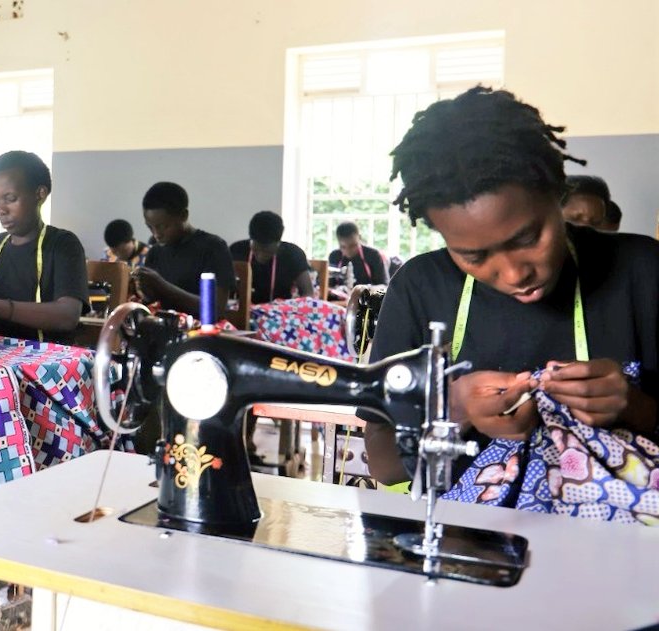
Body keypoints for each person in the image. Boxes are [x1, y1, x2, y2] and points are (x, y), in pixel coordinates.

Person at [362, 87, 658, 491]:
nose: (515, 273)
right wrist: (456, 407)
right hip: (466, 542)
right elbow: (383, 464)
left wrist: (636, 408)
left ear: (557, 192)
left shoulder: (642, 271)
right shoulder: (420, 288)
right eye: (474, 255)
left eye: (527, 238)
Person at [0, 151, 89, 345]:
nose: (1, 209)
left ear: (40, 193)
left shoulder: (63, 244)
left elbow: (67, 316)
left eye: (10, 198)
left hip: (44, 367)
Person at [135, 182, 236, 319]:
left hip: (203, 332)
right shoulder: (155, 253)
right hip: (167, 330)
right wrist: (140, 289)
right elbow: (152, 302)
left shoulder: (212, 247)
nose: (156, 234)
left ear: (183, 215)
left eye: (163, 226)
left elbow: (215, 309)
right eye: (150, 227)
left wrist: (161, 285)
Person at [229, 210, 313, 304]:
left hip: (280, 313)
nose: (260, 255)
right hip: (242, 312)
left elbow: (308, 294)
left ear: (278, 243)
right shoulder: (236, 250)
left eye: (267, 251)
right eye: (256, 250)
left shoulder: (293, 254)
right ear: (251, 240)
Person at [328, 221, 387, 286]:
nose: (348, 251)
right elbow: (329, 285)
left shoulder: (373, 255)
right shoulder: (334, 256)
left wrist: (365, 290)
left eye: (353, 246)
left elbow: (384, 287)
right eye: (343, 247)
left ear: (359, 238)